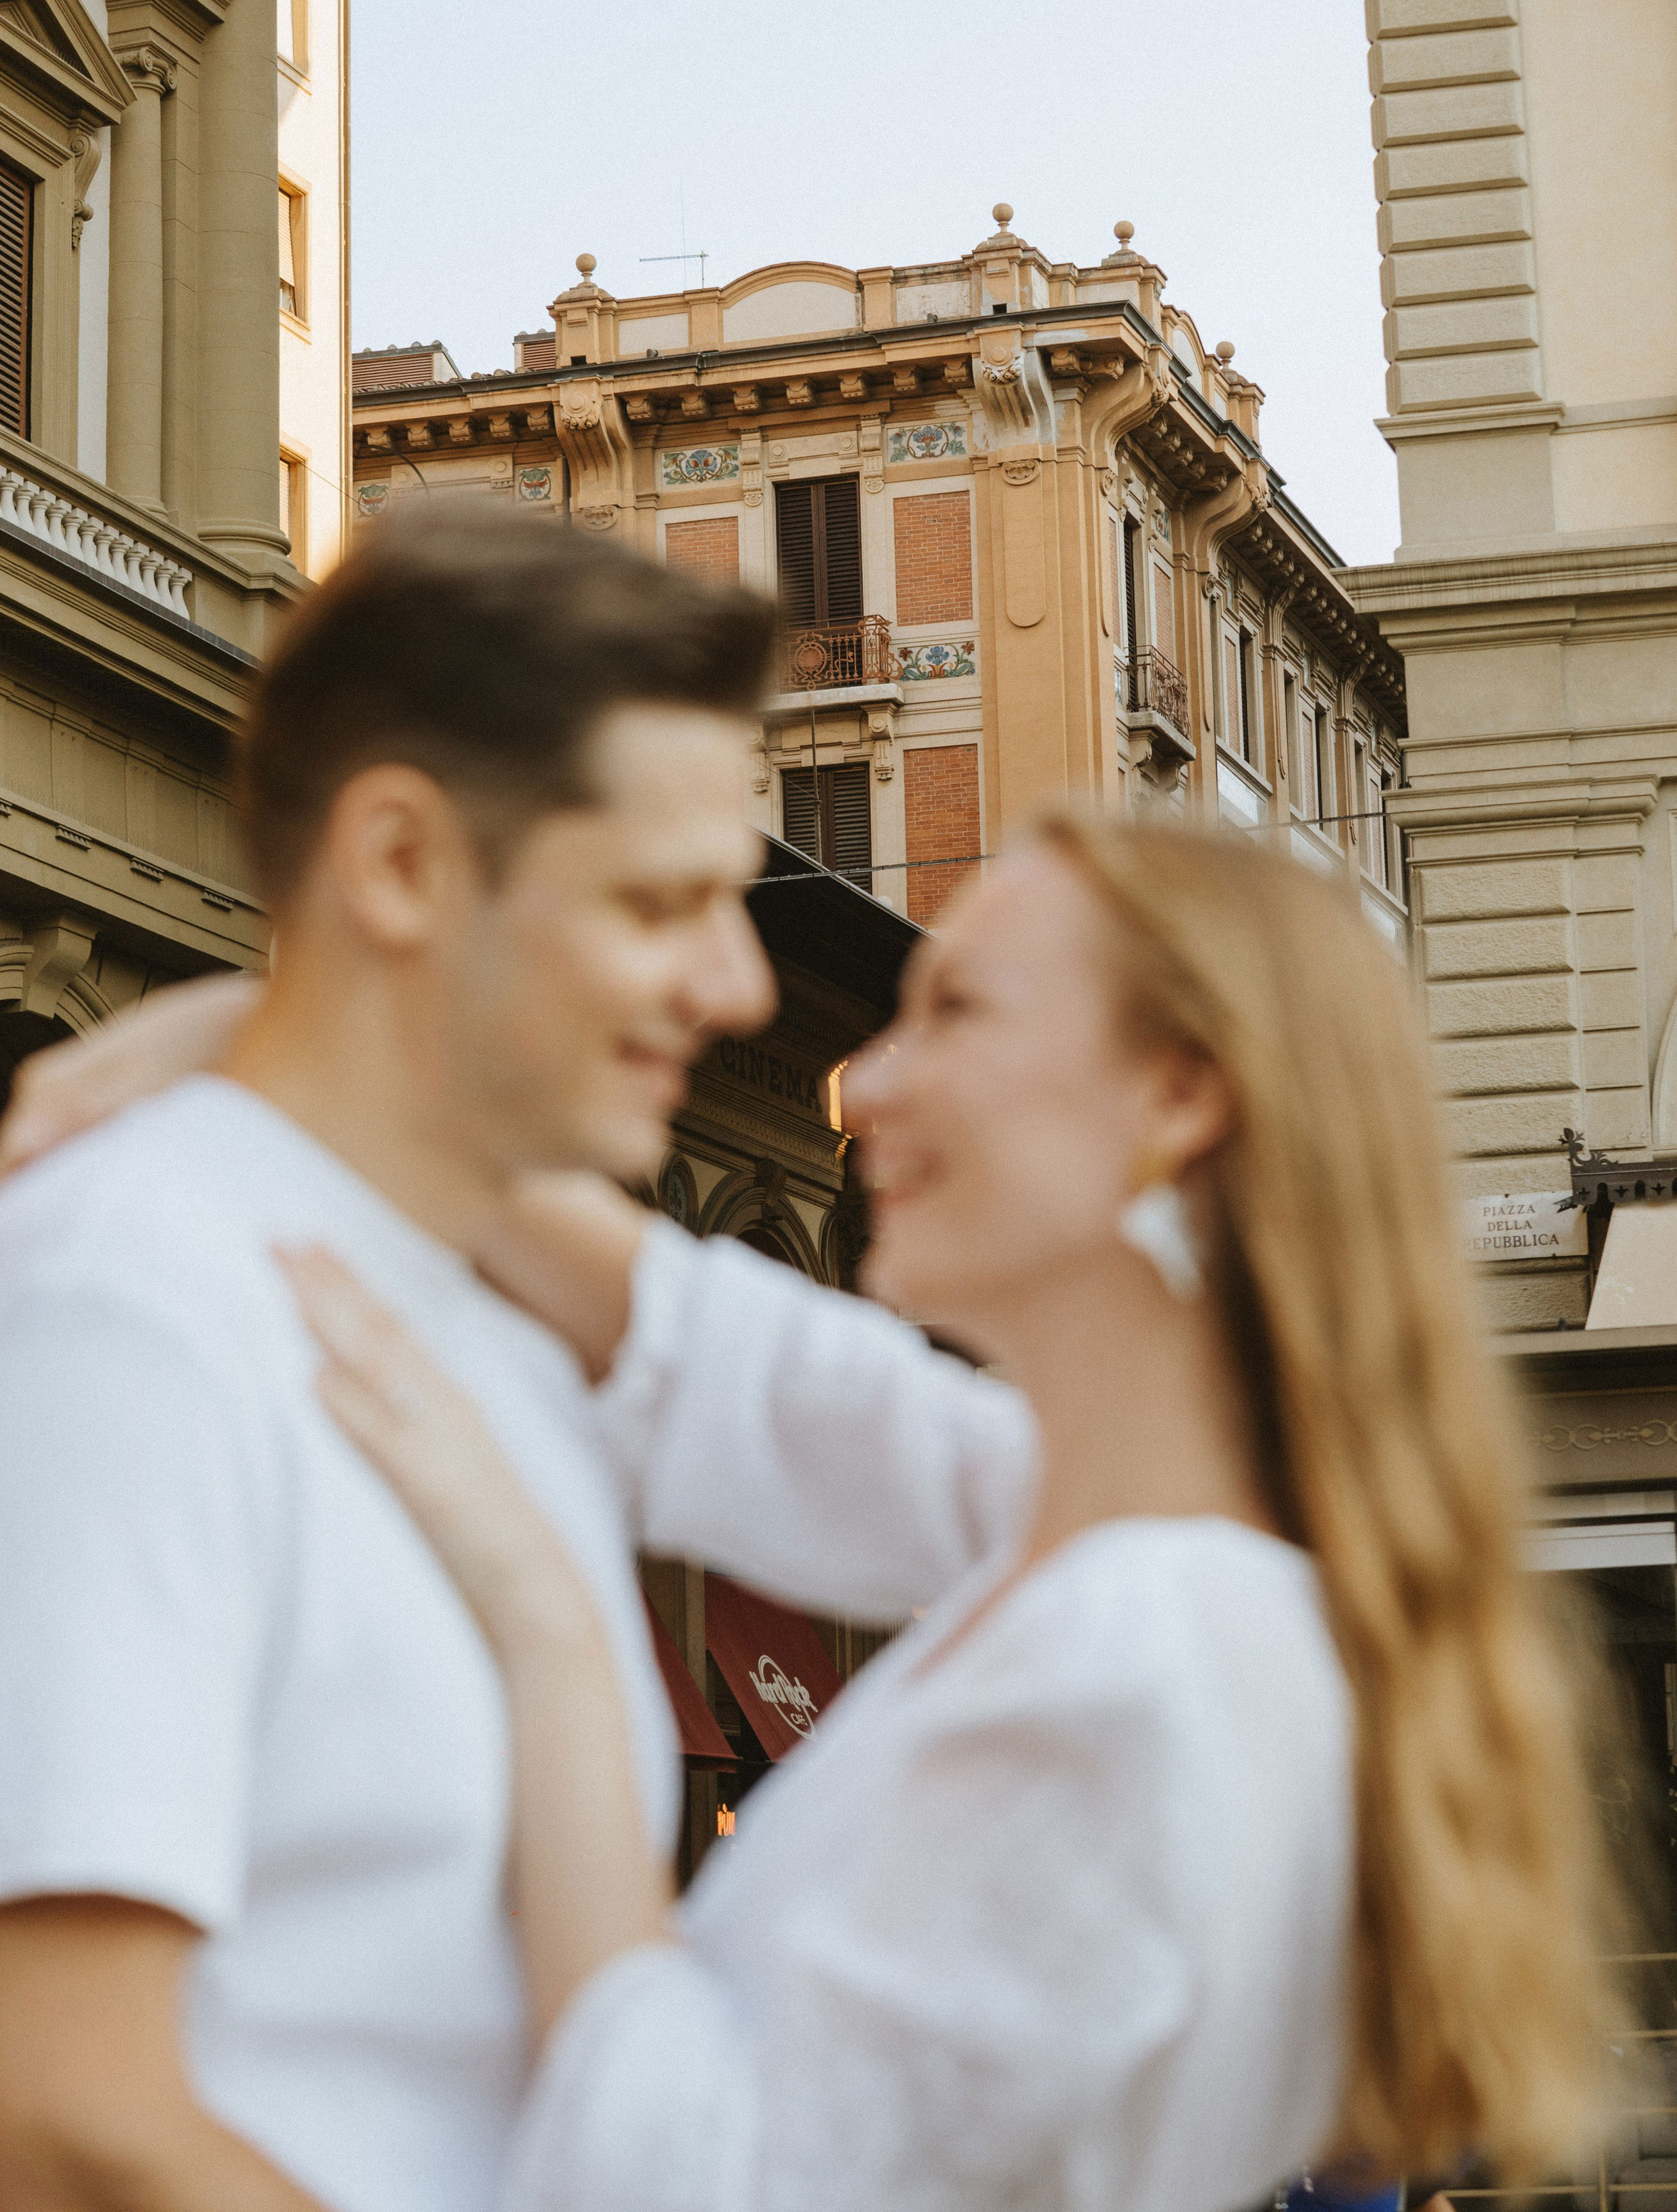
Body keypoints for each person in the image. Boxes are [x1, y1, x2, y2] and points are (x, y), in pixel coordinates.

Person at [261, 816, 1627, 2212]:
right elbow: (753, 1376)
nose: (866, 1082)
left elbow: (689, 2183)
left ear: (1174, 1097)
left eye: (954, 1013)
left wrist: (544, 1630)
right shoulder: (1135, 1551)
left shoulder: (1136, 1652)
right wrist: (280, 1069)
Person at [0, 501, 1036, 2212]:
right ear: (402, 864)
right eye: (659, 902)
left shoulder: (488, 1337)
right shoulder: (132, 1299)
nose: (739, 989)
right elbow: (63, 2114)